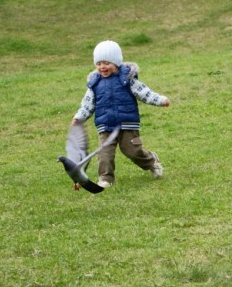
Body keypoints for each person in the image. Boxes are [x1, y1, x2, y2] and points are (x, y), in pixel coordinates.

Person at [71, 40, 169, 188]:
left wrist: (160, 100)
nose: (102, 67)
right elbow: (87, 104)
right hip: (106, 125)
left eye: (106, 63)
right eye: (98, 63)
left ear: (116, 62)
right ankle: (105, 179)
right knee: (104, 154)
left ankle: (151, 161)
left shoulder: (127, 79)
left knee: (133, 152)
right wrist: (79, 117)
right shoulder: (94, 83)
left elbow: (144, 92)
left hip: (127, 123)